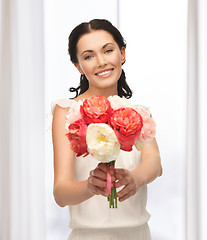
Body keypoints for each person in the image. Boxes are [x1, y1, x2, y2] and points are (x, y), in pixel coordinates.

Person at [51, 19, 162, 240]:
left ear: (122, 54)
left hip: (138, 234)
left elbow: (155, 163)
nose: (101, 62)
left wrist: (136, 178)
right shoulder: (66, 111)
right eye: (89, 56)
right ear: (78, 66)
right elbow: (61, 193)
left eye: (108, 50)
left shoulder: (138, 112)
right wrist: (90, 186)